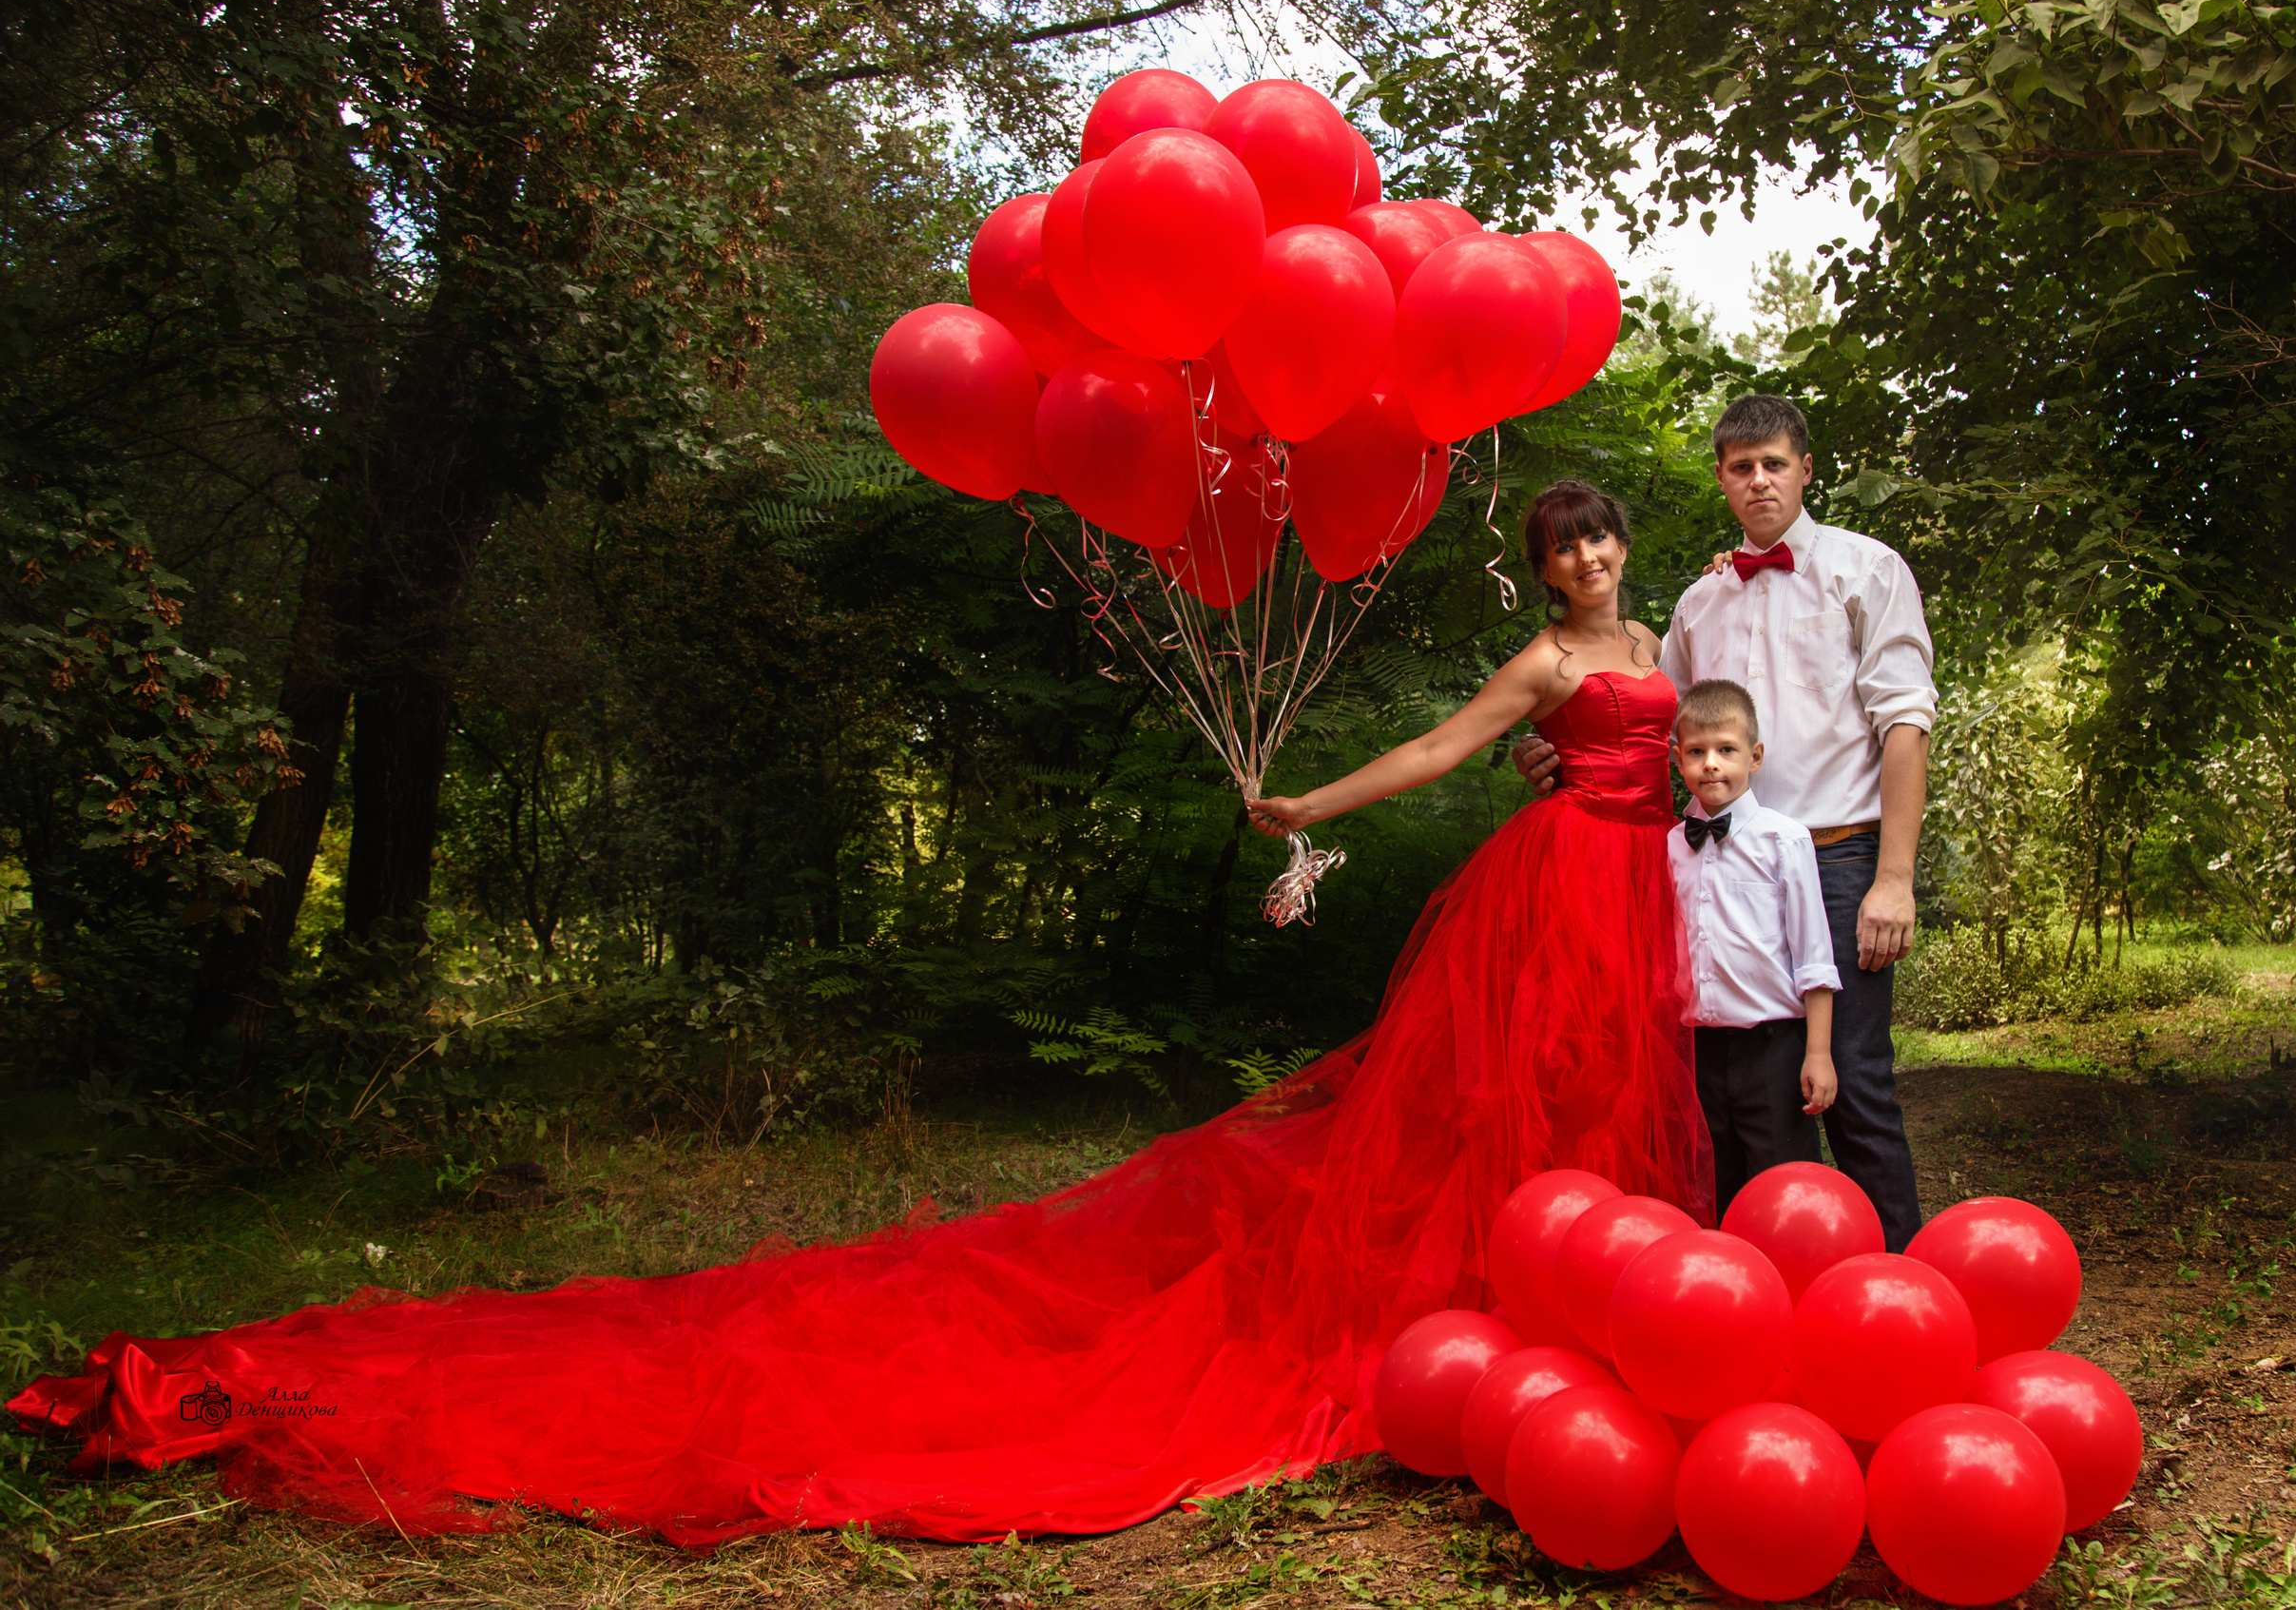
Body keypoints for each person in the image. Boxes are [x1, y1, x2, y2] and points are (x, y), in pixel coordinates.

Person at [10, 479, 1709, 1547]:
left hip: (1651, 880)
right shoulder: (1551, 670)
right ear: (1542, 576)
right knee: (1493, 1092)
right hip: (1553, 878)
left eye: (1598, 539)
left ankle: (1599, 1293)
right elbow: (1436, 749)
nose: (1584, 563)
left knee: (1608, 1088)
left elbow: (1731, 748)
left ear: (1624, 546)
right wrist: (1311, 804)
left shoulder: (1672, 632)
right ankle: (1496, 1297)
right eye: (1562, 549)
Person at [1514, 393, 1936, 1250]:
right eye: (1742, 468)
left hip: (1835, 857)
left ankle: (1903, 1286)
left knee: (1851, 1080)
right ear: (1722, 479)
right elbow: (1636, 716)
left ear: (1806, 469)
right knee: (1723, 1095)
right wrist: (1551, 749)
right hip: (1717, 869)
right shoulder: (1700, 603)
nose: (1760, 482)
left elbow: (1906, 723)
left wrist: (1894, 877)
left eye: (1775, 463)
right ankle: (1757, 1288)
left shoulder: (1867, 570)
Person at [1667, 677, 1840, 1214]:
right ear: (1678, 760)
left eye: (1726, 750)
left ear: (1755, 756)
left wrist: (1818, 1053)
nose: (1711, 764)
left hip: (1774, 1047)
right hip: (1699, 1051)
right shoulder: (1671, 846)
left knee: (1782, 1191)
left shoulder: (1784, 840)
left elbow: (1814, 957)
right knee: (1713, 1185)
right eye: (1697, 752)